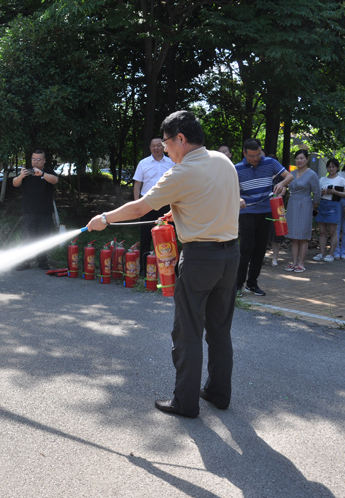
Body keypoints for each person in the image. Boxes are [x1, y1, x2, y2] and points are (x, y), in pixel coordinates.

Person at [87, 110, 239, 418]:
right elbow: (215, 198)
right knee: (220, 331)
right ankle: (219, 393)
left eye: (167, 144)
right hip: (231, 256)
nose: (166, 151)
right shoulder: (223, 161)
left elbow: (141, 206)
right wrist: (179, 212)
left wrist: (104, 218)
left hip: (200, 259)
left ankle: (185, 402)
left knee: (188, 332)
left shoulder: (180, 173)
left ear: (180, 139)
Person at [236, 139, 293, 295]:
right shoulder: (237, 169)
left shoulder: (270, 162)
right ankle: (237, 284)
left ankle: (252, 283)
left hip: (266, 211)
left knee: (261, 249)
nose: (256, 158)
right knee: (246, 248)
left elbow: (289, 176)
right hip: (247, 212)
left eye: (258, 155)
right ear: (244, 153)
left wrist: (282, 184)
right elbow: (230, 189)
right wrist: (238, 198)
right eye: (252, 156)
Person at [133, 137, 174, 271]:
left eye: (158, 145)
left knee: (167, 237)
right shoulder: (143, 163)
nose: (156, 148)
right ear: (150, 147)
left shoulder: (171, 162)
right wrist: (136, 204)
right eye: (153, 146)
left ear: (163, 147)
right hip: (147, 204)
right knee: (145, 237)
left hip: (166, 205)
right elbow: (137, 184)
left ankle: (168, 271)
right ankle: (144, 271)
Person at [13, 150, 59, 270]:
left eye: (39, 160)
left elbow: (55, 180)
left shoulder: (48, 171)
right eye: (34, 159)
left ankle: (42, 261)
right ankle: (25, 261)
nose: (36, 162)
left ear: (44, 160)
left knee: (43, 237)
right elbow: (15, 183)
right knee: (27, 237)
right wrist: (21, 176)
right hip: (28, 211)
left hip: (45, 212)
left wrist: (42, 174)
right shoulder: (26, 172)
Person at [284, 149, 320, 272]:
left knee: (303, 236)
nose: (299, 161)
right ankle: (293, 262)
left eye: (302, 158)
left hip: (305, 204)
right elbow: (285, 186)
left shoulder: (312, 174)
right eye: (297, 158)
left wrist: (314, 205)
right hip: (292, 204)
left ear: (307, 159)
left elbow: (317, 193)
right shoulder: (291, 174)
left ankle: (301, 263)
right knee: (294, 236)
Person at [313, 158, 345, 262]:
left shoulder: (341, 180)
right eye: (329, 166)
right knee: (322, 231)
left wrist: (335, 192)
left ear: (337, 168)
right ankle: (321, 253)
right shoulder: (322, 179)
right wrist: (322, 193)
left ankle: (331, 254)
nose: (331, 168)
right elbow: (316, 194)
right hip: (323, 204)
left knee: (333, 232)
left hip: (334, 205)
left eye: (333, 166)